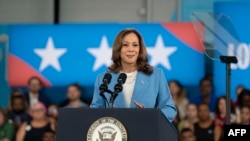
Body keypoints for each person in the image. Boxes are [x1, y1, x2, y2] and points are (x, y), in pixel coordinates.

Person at [90, 28, 177, 122]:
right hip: (115, 134)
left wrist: (149, 116)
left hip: (146, 132)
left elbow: (170, 110)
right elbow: (94, 112)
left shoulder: (156, 75)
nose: (131, 49)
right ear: (118, 49)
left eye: (135, 45)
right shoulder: (104, 79)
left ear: (140, 49)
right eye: (125, 45)